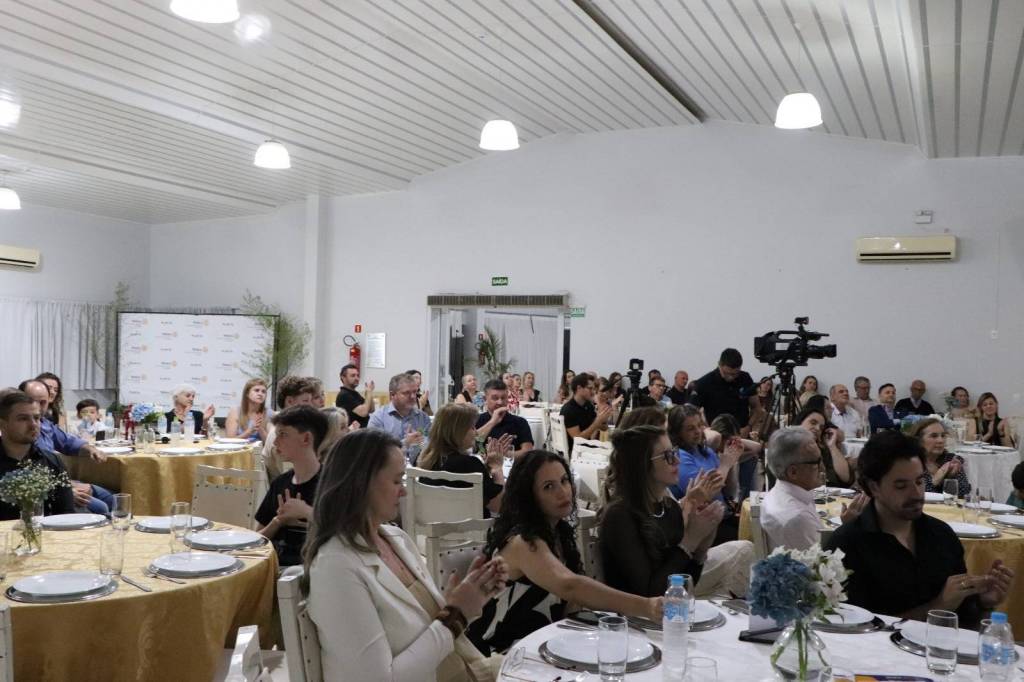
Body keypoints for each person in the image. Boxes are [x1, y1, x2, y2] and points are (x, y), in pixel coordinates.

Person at [305, 428, 507, 680]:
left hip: (469, 669)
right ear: (361, 484)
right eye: (396, 481)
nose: (404, 491)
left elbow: (426, 626)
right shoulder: (335, 567)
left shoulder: (395, 539)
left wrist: (471, 596)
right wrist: (456, 615)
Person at [466, 450, 663, 655]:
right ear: (529, 497)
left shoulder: (560, 533)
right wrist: (646, 606)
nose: (563, 492)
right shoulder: (523, 541)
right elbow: (571, 586)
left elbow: (571, 606)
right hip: (500, 656)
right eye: (548, 487)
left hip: (542, 648)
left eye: (564, 481)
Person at [825, 431, 1014, 627]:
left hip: (941, 645)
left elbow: (962, 619)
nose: (916, 494)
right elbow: (853, 630)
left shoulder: (941, 535)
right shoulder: (848, 544)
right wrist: (938, 607)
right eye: (901, 486)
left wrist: (983, 603)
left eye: (919, 481)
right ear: (874, 488)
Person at [599, 424, 723, 596]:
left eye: (674, 452)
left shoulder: (669, 508)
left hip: (669, 608)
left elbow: (685, 584)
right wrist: (689, 541)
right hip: (630, 611)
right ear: (642, 465)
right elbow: (648, 593)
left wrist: (701, 547)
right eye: (667, 456)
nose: (677, 461)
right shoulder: (619, 516)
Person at [762, 427, 868, 551]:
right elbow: (824, 558)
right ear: (793, 472)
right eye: (816, 462)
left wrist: (842, 521)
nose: (823, 467)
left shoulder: (780, 492)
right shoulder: (797, 517)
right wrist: (848, 527)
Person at [20, 380, 114, 515]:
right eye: (32, 401)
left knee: (113, 498)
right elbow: (21, 475)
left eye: (43, 402)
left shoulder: (45, 423)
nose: (38, 407)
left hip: (59, 482)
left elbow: (68, 442)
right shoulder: (18, 433)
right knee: (102, 508)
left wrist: (90, 448)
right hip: (45, 488)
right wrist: (65, 491)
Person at [255, 406, 328, 566]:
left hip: (314, 570)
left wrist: (307, 512)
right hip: (275, 567)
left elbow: (347, 533)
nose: (275, 442)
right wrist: (278, 521)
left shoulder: (331, 484)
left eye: (283, 434)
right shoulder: (280, 483)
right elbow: (257, 538)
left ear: (306, 439)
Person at [418, 404, 505, 517]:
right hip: (470, 528)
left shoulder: (426, 461)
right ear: (458, 431)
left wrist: (485, 469)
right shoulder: (470, 464)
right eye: (472, 427)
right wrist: (497, 468)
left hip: (432, 526)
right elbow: (498, 505)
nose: (476, 432)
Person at [0, 390, 75, 520]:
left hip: (43, 530)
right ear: (2, 424)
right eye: (23, 419)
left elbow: (66, 514)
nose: (33, 425)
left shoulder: (51, 461)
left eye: (36, 418)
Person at [263, 376, 318, 479]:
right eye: (306, 401)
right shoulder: (282, 436)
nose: (311, 406)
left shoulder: (292, 430)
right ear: (289, 401)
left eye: (311, 400)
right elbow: (293, 477)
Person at [368, 373, 431, 461]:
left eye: (414, 392)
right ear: (392, 395)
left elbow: (429, 447)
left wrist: (421, 443)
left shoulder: (422, 418)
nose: (413, 396)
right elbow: (374, 451)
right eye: (406, 393)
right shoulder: (379, 418)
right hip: (387, 467)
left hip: (417, 467)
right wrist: (405, 443)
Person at [690, 348, 756, 433]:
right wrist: (707, 430)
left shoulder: (745, 378)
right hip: (717, 434)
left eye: (735, 374)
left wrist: (748, 427)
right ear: (719, 365)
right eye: (726, 373)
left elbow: (756, 408)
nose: (731, 377)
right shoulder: (704, 383)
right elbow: (691, 412)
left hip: (742, 433)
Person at [909, 418, 970, 498]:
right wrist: (935, 480)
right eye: (934, 436)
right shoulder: (911, 463)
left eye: (943, 436)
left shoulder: (951, 460)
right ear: (919, 440)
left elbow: (964, 493)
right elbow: (917, 495)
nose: (940, 440)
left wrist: (950, 478)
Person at [473, 380, 534, 460]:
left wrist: (504, 454)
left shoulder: (520, 422)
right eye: (495, 398)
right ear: (485, 399)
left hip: (512, 466)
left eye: (503, 398)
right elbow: (471, 446)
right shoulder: (476, 420)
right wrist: (492, 422)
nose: (500, 402)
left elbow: (528, 452)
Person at [796, 406, 853, 487]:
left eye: (821, 427)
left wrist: (832, 446)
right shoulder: (788, 448)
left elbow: (846, 478)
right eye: (813, 423)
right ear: (800, 422)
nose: (817, 428)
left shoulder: (823, 450)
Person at [559, 374, 612, 456]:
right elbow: (578, 440)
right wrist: (597, 423)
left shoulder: (588, 405)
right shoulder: (568, 410)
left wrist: (603, 419)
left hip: (586, 449)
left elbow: (604, 428)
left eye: (593, 389)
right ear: (579, 388)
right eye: (590, 388)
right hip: (576, 453)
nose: (593, 392)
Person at [335, 363, 375, 428]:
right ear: (343, 378)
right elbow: (364, 412)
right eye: (353, 376)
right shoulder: (344, 395)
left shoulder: (355, 394)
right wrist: (368, 392)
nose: (357, 378)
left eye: (357, 375)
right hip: (353, 433)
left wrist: (370, 392)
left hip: (363, 430)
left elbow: (371, 409)